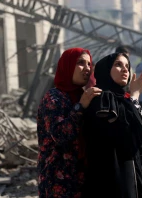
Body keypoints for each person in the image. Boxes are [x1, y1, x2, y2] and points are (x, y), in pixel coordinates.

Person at [82, 53, 142, 198]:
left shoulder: (123, 99)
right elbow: (125, 132)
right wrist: (134, 96)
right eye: (118, 65)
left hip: (132, 172)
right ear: (105, 69)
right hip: (111, 176)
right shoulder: (101, 98)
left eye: (127, 66)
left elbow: (140, 138)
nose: (125, 70)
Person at [36, 48, 102, 198]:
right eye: (80, 63)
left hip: (81, 176)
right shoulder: (53, 97)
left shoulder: (83, 96)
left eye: (89, 64)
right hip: (58, 179)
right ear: (67, 66)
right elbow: (60, 135)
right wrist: (80, 107)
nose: (87, 68)